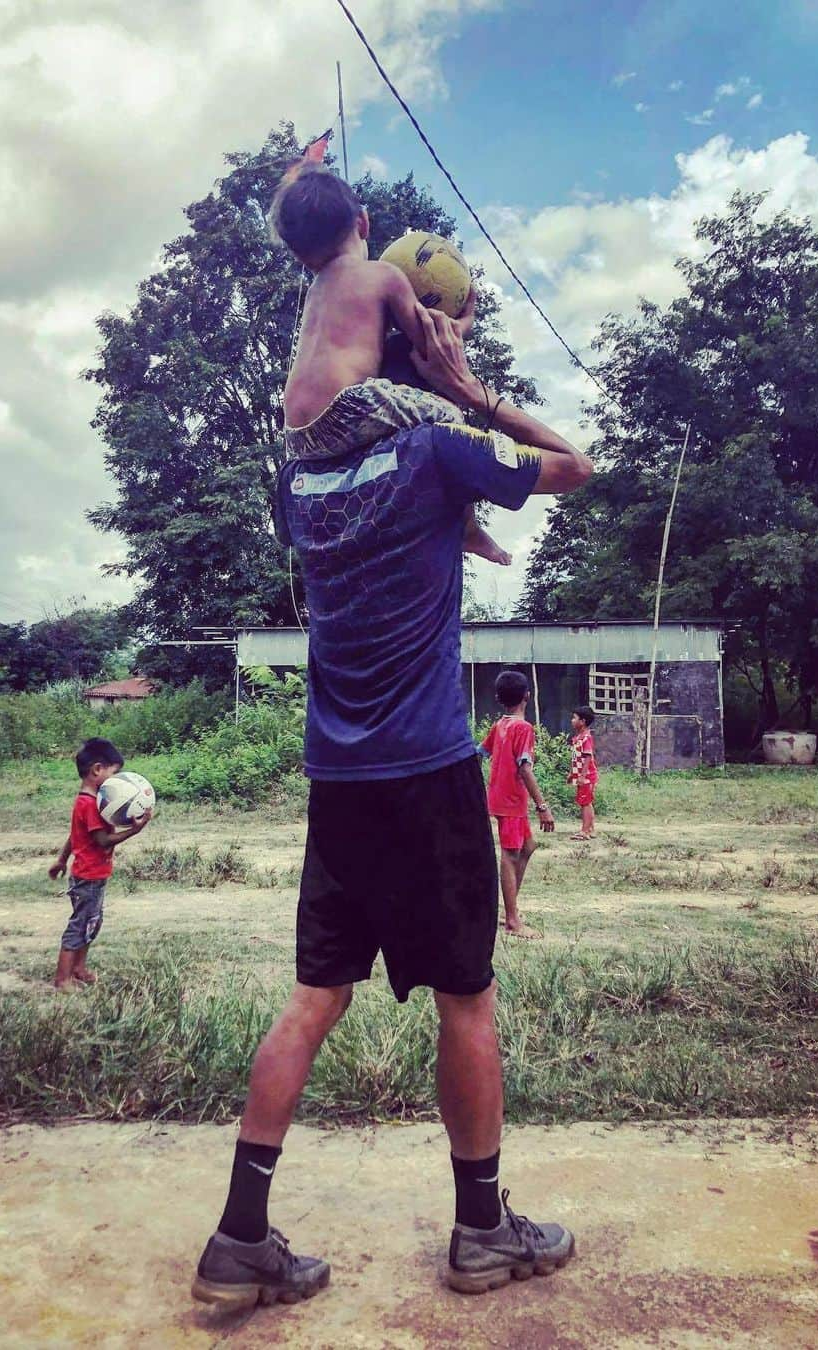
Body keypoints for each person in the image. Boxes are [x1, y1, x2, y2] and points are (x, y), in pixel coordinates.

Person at [192, 237, 592, 1310]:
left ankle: (240, 1239)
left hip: (339, 779)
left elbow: (361, 484)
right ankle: (482, 1230)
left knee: (315, 995)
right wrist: (472, 393)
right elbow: (574, 466)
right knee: (465, 999)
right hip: (425, 772)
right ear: (422, 339)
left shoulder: (302, 483)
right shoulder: (436, 450)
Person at [272, 161, 511, 566]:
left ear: (302, 257)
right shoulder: (382, 275)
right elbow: (431, 346)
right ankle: (468, 528)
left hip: (295, 432)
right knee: (450, 416)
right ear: (363, 224)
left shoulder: (315, 291)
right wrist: (466, 320)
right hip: (347, 408)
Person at [47, 737, 151, 990]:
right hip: (89, 878)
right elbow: (103, 841)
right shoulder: (89, 805)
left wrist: (62, 860)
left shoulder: (89, 801)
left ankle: (79, 968)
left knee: (91, 923)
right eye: (114, 773)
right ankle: (62, 979)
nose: (117, 780)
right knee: (81, 924)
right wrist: (134, 831)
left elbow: (75, 836)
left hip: (91, 875)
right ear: (97, 770)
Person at [480, 670, 554, 939]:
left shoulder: (500, 725)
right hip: (511, 802)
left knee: (528, 846)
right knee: (511, 855)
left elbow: (480, 752)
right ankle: (512, 920)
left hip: (506, 799)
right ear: (527, 696)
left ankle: (510, 909)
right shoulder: (523, 728)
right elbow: (524, 767)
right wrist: (542, 806)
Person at [568, 705, 598, 841]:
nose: (572, 721)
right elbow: (576, 758)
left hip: (586, 776)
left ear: (583, 721)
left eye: (574, 718)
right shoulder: (578, 738)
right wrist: (571, 773)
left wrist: (582, 775)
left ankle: (584, 831)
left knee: (585, 802)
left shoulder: (586, 738)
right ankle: (590, 829)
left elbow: (587, 757)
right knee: (586, 802)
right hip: (582, 775)